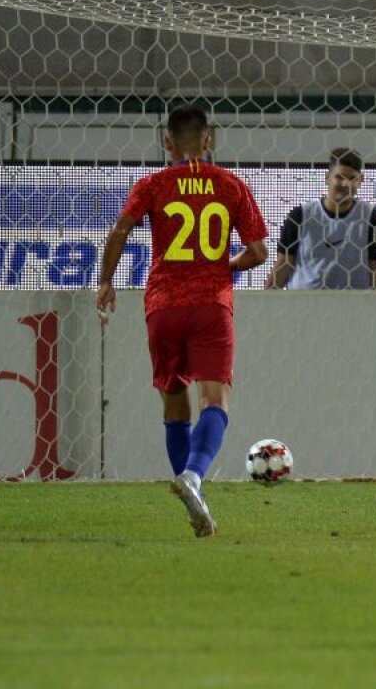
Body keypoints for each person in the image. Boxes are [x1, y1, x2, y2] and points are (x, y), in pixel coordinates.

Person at [96, 106, 268, 537]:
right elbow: (260, 252)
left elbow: (119, 231)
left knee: (175, 405)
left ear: (167, 143)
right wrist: (228, 264)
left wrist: (105, 283)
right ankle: (194, 476)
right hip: (210, 303)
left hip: (163, 306)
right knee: (215, 401)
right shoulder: (230, 185)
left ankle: (195, 496)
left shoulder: (153, 185)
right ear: (207, 141)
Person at [264, 148, 376, 290]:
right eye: (339, 177)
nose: (345, 184)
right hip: (305, 303)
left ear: (360, 181)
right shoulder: (301, 215)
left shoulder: (368, 215)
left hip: (352, 304)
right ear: (327, 178)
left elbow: (374, 264)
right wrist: (263, 302)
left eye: (352, 178)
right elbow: (283, 264)